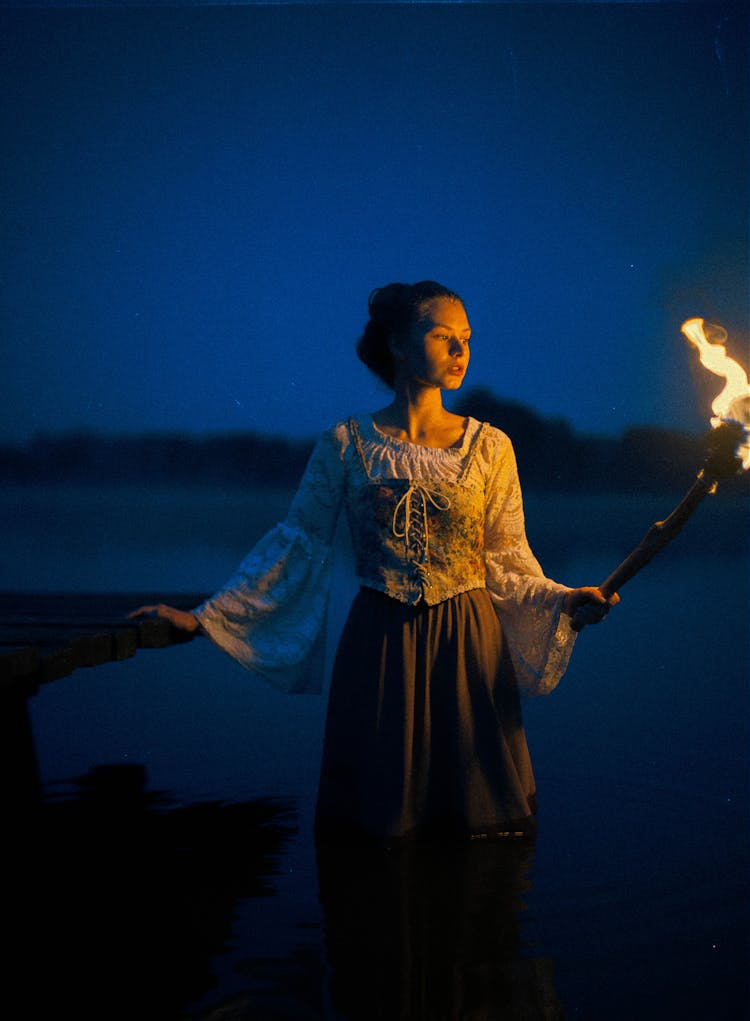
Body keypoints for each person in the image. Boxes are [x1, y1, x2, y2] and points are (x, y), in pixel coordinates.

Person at [130, 281, 618, 845]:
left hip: (468, 641)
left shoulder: (490, 447)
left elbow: (506, 558)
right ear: (399, 345)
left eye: (466, 339)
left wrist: (563, 600)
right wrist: (206, 618)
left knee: (479, 822)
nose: (461, 352)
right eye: (443, 337)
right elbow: (299, 544)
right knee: (381, 828)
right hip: (381, 644)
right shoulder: (345, 443)